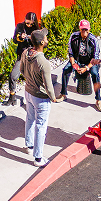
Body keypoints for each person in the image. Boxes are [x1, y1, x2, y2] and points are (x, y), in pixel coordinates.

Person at [21, 28, 64, 167]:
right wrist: (54, 98)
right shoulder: (43, 62)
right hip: (40, 98)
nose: (47, 39)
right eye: (46, 38)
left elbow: (21, 70)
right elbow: (48, 84)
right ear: (41, 42)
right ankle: (38, 158)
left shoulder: (26, 52)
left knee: (29, 118)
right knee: (41, 125)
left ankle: (29, 145)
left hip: (28, 92)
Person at [60, 19, 101, 110]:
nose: (84, 32)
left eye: (86, 30)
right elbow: (70, 53)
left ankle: (98, 99)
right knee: (65, 70)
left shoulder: (93, 40)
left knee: (95, 74)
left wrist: (86, 68)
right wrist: (74, 64)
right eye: (82, 30)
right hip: (77, 59)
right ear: (80, 29)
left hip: (90, 62)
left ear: (89, 30)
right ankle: (63, 93)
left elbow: (95, 58)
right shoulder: (74, 37)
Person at [5, 11, 41, 106]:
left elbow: (41, 44)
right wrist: (20, 37)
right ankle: (12, 96)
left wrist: (32, 39)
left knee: (33, 79)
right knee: (13, 76)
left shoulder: (37, 29)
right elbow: (14, 40)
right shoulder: (20, 26)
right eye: (27, 23)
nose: (29, 25)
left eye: (31, 23)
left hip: (32, 57)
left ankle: (34, 100)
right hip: (22, 55)